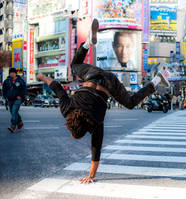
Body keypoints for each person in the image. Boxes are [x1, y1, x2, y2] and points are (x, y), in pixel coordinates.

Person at [37, 19, 170, 184]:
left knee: (130, 102)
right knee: (74, 65)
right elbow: (57, 87)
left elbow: (96, 149)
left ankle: (157, 80)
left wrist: (91, 176)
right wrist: (42, 77)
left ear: (84, 129)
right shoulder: (67, 109)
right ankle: (87, 43)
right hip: (92, 73)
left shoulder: (95, 123)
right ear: (69, 123)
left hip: (109, 82)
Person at [2, 68, 26, 133]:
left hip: (17, 99)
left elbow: (24, 90)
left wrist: (21, 96)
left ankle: (12, 126)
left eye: (13, 73)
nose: (12, 74)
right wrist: (5, 97)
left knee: (14, 111)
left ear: (15, 73)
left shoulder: (20, 81)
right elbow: (4, 90)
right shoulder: (6, 81)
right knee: (13, 112)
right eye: (10, 73)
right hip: (9, 99)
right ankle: (20, 123)